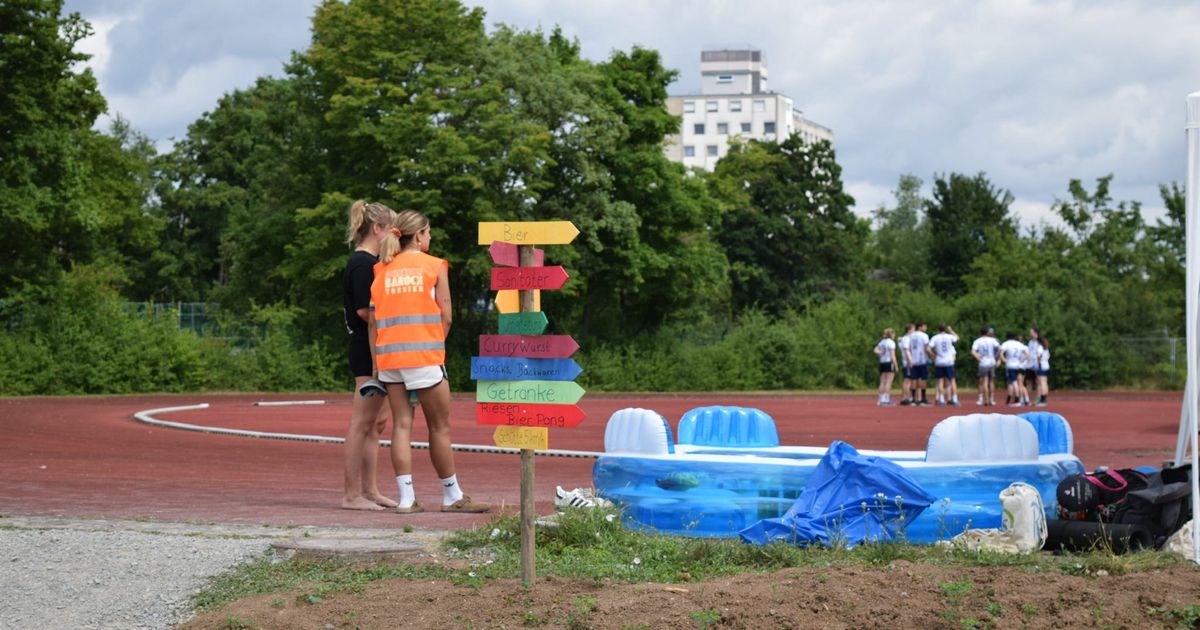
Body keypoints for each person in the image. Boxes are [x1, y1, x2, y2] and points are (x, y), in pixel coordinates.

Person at [370, 209, 490, 514]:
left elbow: (373, 321)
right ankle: (452, 496)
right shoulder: (434, 265)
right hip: (424, 357)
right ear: (419, 235)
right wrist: (435, 346)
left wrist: (376, 363)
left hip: (390, 359)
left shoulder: (381, 269)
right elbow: (446, 316)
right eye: (429, 232)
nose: (431, 237)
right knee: (439, 427)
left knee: (401, 426)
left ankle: (406, 499)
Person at [341, 200, 398, 511]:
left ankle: (370, 490)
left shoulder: (373, 262)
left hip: (381, 348)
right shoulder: (362, 264)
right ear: (377, 229)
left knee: (377, 423)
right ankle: (351, 495)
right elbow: (366, 311)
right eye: (392, 230)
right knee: (362, 422)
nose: (395, 236)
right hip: (367, 348)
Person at [928, 324, 960, 406]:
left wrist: (933, 356)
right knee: (952, 380)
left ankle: (941, 399)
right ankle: (955, 399)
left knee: (940, 381)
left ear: (938, 329)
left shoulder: (935, 338)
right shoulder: (949, 336)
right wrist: (951, 331)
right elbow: (957, 338)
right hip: (949, 361)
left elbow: (928, 348)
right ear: (945, 329)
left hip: (939, 361)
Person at [970, 326, 1000, 406]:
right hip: (992, 362)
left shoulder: (978, 341)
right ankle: (991, 400)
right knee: (991, 381)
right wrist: (996, 357)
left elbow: (973, 351)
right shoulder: (992, 340)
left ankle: (985, 400)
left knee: (984, 381)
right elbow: (1000, 348)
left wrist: (978, 357)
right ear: (987, 332)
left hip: (983, 362)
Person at [999, 332, 1029, 406]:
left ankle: (1017, 398)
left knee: (1014, 382)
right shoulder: (1019, 344)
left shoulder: (1006, 343)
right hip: (1018, 365)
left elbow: (1001, 352)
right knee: (1018, 382)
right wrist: (1021, 360)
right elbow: (1027, 354)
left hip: (1010, 365)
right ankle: (1020, 399)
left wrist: (1004, 359)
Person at [906, 322, 931, 406]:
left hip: (913, 360)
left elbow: (909, 348)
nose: (926, 328)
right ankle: (923, 398)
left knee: (913, 379)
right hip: (922, 360)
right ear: (920, 327)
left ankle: (913, 399)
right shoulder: (924, 336)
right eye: (924, 326)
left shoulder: (911, 336)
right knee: (923, 379)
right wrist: (932, 356)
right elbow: (926, 348)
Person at [873, 328, 898, 406]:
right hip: (889, 362)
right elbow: (892, 355)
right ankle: (886, 399)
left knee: (882, 381)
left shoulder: (882, 342)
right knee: (888, 381)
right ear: (891, 334)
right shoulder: (891, 342)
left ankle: (880, 399)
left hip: (882, 362)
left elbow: (875, 350)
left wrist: (880, 352)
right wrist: (896, 365)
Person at [1032, 328, 1051, 406]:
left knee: (1042, 383)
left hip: (1041, 365)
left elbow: (1038, 356)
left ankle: (1042, 400)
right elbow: (1048, 356)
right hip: (1046, 365)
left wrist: (1038, 362)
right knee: (1045, 382)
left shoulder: (1040, 347)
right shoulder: (1046, 348)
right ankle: (1045, 398)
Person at [897, 324, 915, 405]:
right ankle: (906, 398)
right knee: (907, 381)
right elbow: (906, 351)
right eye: (913, 329)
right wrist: (910, 362)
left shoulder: (904, 339)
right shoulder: (907, 339)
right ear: (909, 330)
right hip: (907, 362)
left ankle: (905, 397)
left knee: (908, 380)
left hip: (906, 361)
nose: (914, 331)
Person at [1025, 328, 1043, 406]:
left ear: (1035, 333)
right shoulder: (1030, 342)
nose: (1030, 333)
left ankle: (1038, 399)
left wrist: (1039, 364)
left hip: (1037, 365)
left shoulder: (1040, 342)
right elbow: (1028, 353)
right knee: (1028, 383)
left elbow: (1040, 353)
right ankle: (1027, 400)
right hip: (1029, 365)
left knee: (1038, 383)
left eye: (1031, 332)